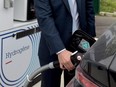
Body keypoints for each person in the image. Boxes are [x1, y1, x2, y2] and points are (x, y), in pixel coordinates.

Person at [34, 0, 96, 87]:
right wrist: (60, 51)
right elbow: (44, 18)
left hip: (78, 48)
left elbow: (89, 10)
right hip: (52, 49)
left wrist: (90, 41)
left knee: (74, 84)